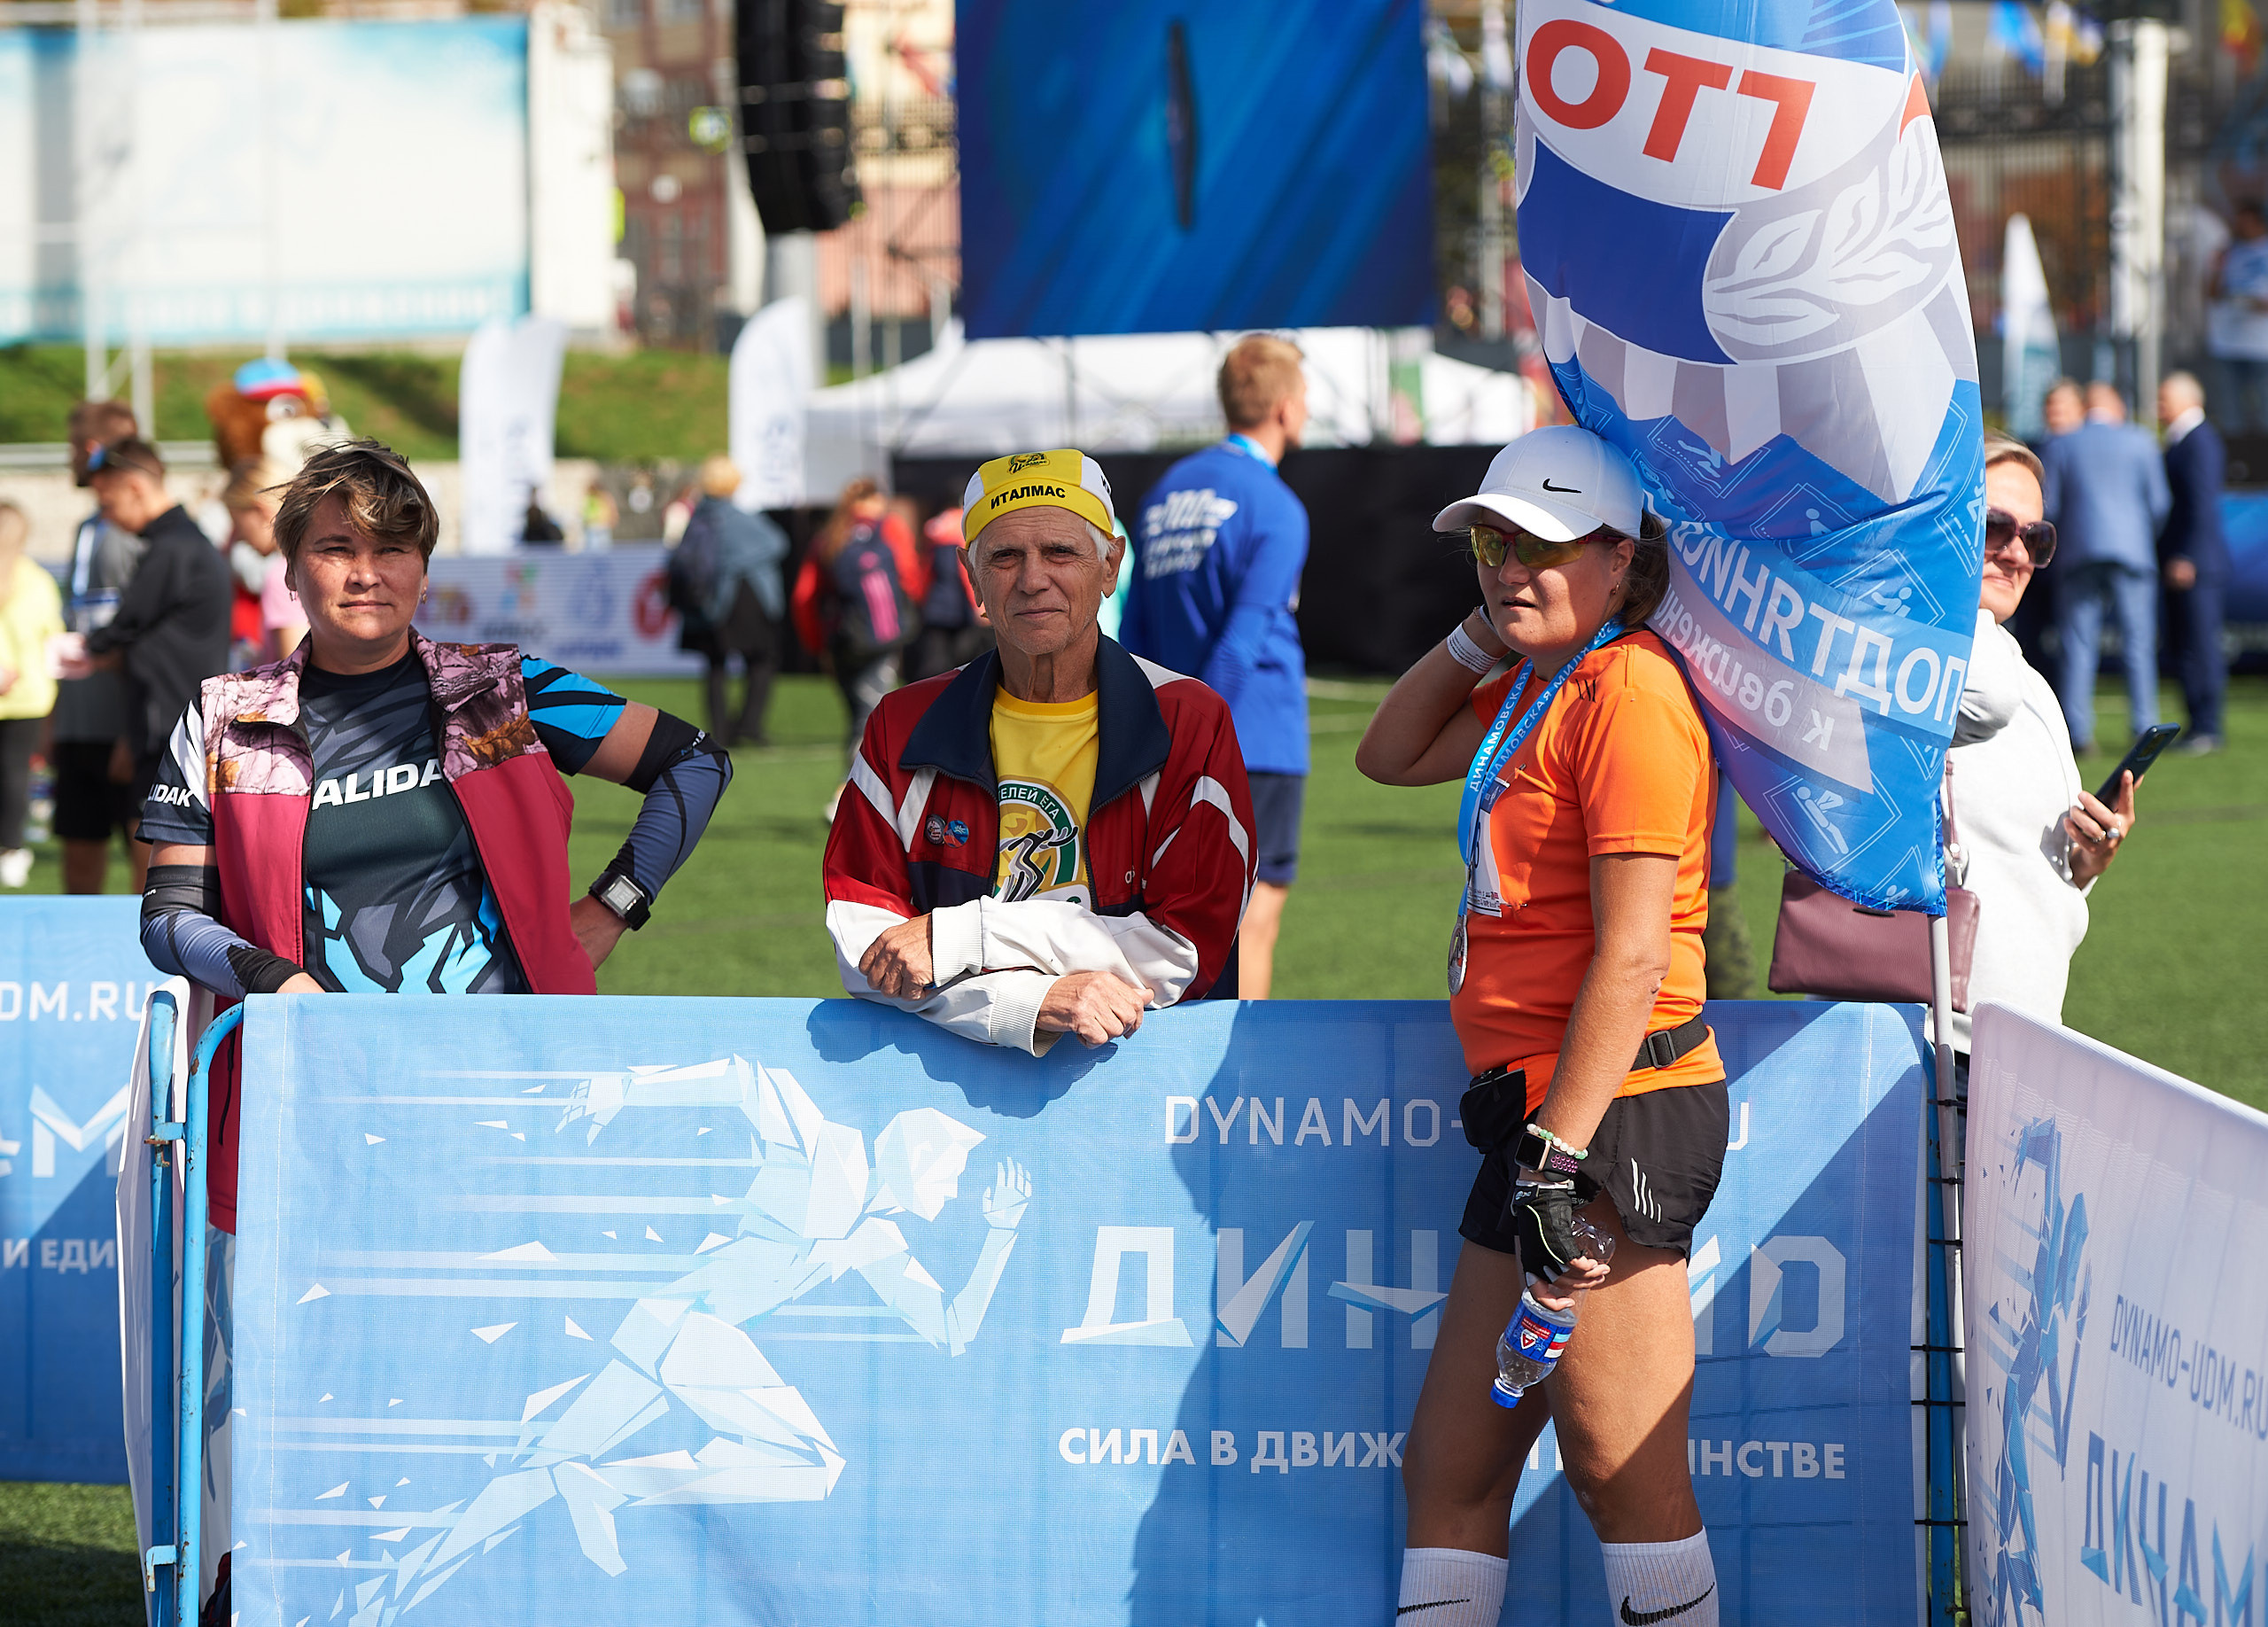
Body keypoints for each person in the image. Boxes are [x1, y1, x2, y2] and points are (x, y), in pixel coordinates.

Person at [132, 438, 733, 1626]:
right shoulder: (224, 719)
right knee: (294, 1385)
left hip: (501, 1110)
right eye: (337, 547)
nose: (367, 571)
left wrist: (606, 916)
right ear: (292, 567)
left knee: (496, 1383)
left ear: (424, 563)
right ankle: (264, 1590)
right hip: (304, 1121)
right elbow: (166, 917)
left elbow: (694, 766)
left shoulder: (497, 693)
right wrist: (271, 978)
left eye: (393, 547)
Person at [1354, 424, 1726, 1627]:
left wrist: (1558, 1160)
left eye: (1547, 546)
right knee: (1451, 1475)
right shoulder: (1537, 685)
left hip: (1606, 1120)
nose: (1512, 567)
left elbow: (1634, 956)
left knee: (1627, 1479)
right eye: (1493, 544)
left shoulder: (1631, 692)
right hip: (1543, 1127)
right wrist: (1487, 629)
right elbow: (1386, 749)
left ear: (1621, 559)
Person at [822, 448, 1255, 1054]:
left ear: (1110, 568)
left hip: (1152, 1095)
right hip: (938, 1103)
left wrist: (967, 937)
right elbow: (868, 949)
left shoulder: (1188, 720)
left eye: (1061, 552)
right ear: (971, 580)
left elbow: (1182, 950)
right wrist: (1030, 1004)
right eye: (1004, 556)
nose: (1032, 579)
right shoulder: (902, 723)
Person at [1121, 334, 1313, 997]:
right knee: (1250, 924)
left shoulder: (1165, 494)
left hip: (1166, 739)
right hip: (1254, 739)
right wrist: (1203, 736)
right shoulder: (1276, 507)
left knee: (1176, 924)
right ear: (1286, 409)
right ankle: (1244, 1081)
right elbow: (1241, 643)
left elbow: (1136, 635)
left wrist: (1159, 736)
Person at [1946, 432, 2136, 1069]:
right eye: (1994, 525)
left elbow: (2026, 872)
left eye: (2036, 537)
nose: (2016, 552)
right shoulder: (1919, 663)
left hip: (2025, 1044)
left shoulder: (2024, 677)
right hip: (1929, 1053)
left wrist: (2083, 866)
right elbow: (1983, 700)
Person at [57, 439, 232, 856]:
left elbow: (127, 622)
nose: (107, 514)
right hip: (165, 716)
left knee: (156, 841)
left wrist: (77, 649)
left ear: (136, 487)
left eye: (109, 500)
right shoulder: (179, 542)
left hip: (169, 722)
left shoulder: (174, 547)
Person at [2039, 382, 2170, 751]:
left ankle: (2078, 732)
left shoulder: (2062, 442)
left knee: (2078, 644)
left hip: (2079, 552)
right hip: (2133, 552)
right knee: (2139, 644)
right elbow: (2159, 503)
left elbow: (2051, 506)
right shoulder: (2142, 441)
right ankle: (2145, 728)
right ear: (2118, 407)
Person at [53, 401, 149, 893]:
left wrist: (133, 734)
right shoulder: (88, 528)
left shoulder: (136, 537)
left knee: (148, 869)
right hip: (78, 725)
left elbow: (145, 638)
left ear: (90, 450)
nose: (68, 460)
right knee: (78, 862)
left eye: (72, 449)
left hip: (124, 731)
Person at [792, 478, 920, 758]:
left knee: (858, 714)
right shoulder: (890, 530)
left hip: (844, 639)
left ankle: (853, 787)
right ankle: (854, 789)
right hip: (883, 636)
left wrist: (817, 644)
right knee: (870, 716)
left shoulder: (830, 536)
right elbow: (911, 577)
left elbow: (804, 596)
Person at [672, 455, 788, 746]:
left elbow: (678, 561)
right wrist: (739, 564)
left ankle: (720, 731)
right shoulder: (743, 519)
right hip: (748, 598)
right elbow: (778, 543)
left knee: (715, 666)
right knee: (762, 660)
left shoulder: (698, 520)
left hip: (710, 602)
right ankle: (749, 725)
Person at [2155, 372, 2229, 754]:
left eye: (2164, 397)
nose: (2158, 405)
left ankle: (2209, 726)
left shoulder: (2199, 440)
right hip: (2185, 562)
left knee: (2201, 646)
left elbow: (2201, 504)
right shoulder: (2182, 440)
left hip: (2197, 565)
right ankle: (2199, 723)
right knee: (2186, 645)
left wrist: (2187, 556)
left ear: (2187, 398)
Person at [0, 502, 64, 887]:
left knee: (13, 775)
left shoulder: (35, 581)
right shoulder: (37, 580)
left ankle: (10, 846)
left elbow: (49, 639)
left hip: (25, 698)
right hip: (27, 695)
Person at [221, 458, 306, 665]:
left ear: (260, 510)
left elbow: (294, 671)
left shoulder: (283, 577)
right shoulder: (309, 563)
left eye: (237, 524)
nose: (239, 537)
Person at [905, 505, 993, 681]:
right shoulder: (964, 527)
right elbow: (967, 575)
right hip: (961, 609)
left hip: (935, 607)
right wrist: (980, 606)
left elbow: (925, 571)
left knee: (936, 666)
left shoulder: (934, 530)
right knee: (967, 664)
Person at [2208, 201, 2268, 434]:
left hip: (2262, 346)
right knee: (2230, 413)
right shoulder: (2227, 252)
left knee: (2264, 410)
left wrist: (2255, 303)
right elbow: (2212, 294)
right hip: (2227, 343)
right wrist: (2217, 267)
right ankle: (2237, 463)